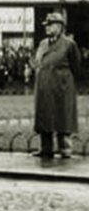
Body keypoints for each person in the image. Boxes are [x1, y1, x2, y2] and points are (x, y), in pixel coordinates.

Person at [32, 12, 81, 159]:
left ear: (60, 27)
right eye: (46, 25)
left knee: (63, 116)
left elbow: (76, 67)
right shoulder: (43, 44)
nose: (47, 28)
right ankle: (46, 148)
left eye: (51, 25)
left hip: (62, 87)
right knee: (44, 116)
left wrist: (65, 80)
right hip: (44, 87)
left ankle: (65, 148)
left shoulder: (69, 44)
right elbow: (38, 62)